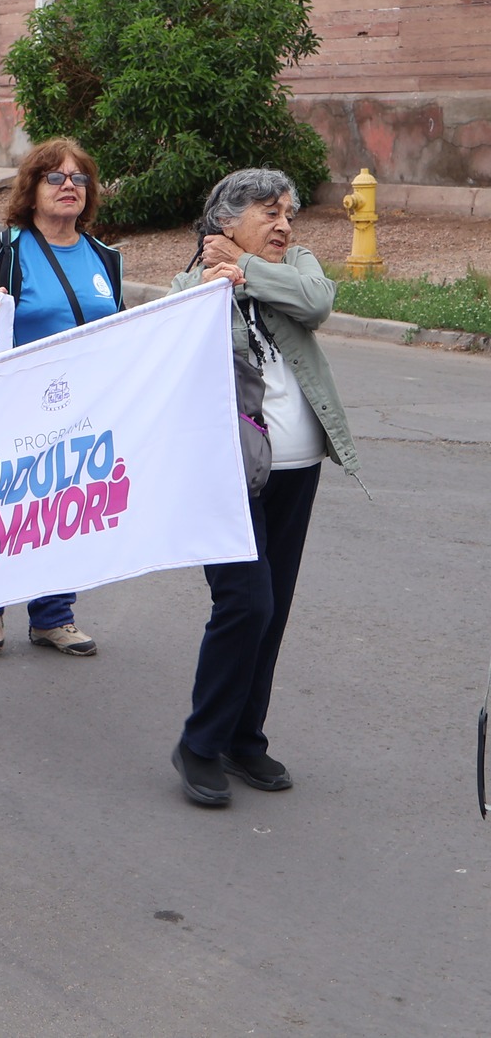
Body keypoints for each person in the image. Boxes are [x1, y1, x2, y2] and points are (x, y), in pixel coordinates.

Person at [168, 168, 356, 808]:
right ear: (226, 221)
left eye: (288, 215)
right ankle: (199, 743)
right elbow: (174, 348)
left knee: (273, 609)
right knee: (247, 604)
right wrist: (222, 282)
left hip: (298, 472)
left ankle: (244, 739)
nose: (284, 226)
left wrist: (248, 268)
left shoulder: (293, 264)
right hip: (227, 475)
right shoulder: (193, 286)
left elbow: (317, 301)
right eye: (268, 214)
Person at [0, 138, 124, 658]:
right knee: (11, 505)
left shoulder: (104, 257)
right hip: (15, 407)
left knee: (66, 506)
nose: (69, 185)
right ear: (31, 190)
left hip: (83, 409)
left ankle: (54, 615)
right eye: (55, 177)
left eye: (79, 178)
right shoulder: (5, 253)